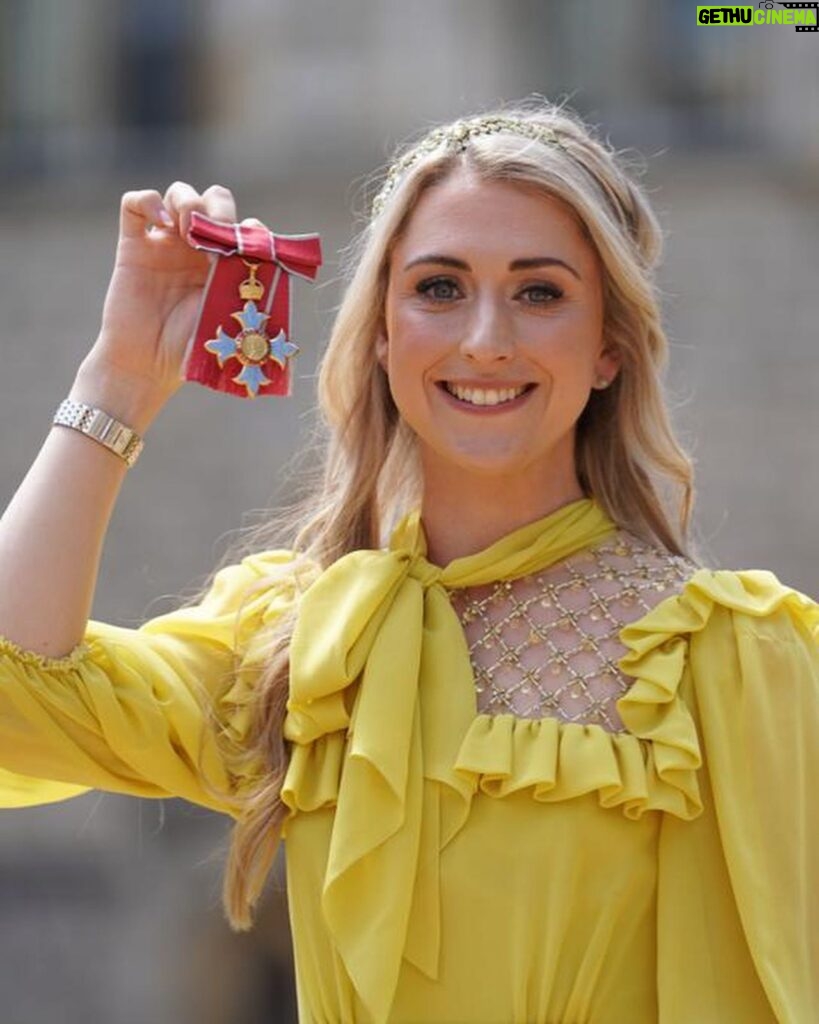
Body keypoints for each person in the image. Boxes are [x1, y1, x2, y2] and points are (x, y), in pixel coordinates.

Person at [0, 98, 816, 1024]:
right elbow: (15, 700)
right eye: (438, 287)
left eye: (539, 292)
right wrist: (119, 376)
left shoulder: (732, 656)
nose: (484, 339)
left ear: (608, 349)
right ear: (383, 333)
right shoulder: (298, 641)